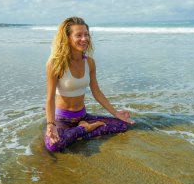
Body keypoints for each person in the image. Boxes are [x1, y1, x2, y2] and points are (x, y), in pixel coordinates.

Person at [44, 17, 135, 152]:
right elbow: (50, 98)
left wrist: (116, 113)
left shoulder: (90, 62)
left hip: (83, 115)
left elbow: (96, 91)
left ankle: (79, 130)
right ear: (67, 37)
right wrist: (50, 125)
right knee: (54, 146)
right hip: (62, 119)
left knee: (122, 125)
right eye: (78, 35)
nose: (84, 38)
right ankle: (85, 129)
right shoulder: (55, 64)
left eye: (86, 34)